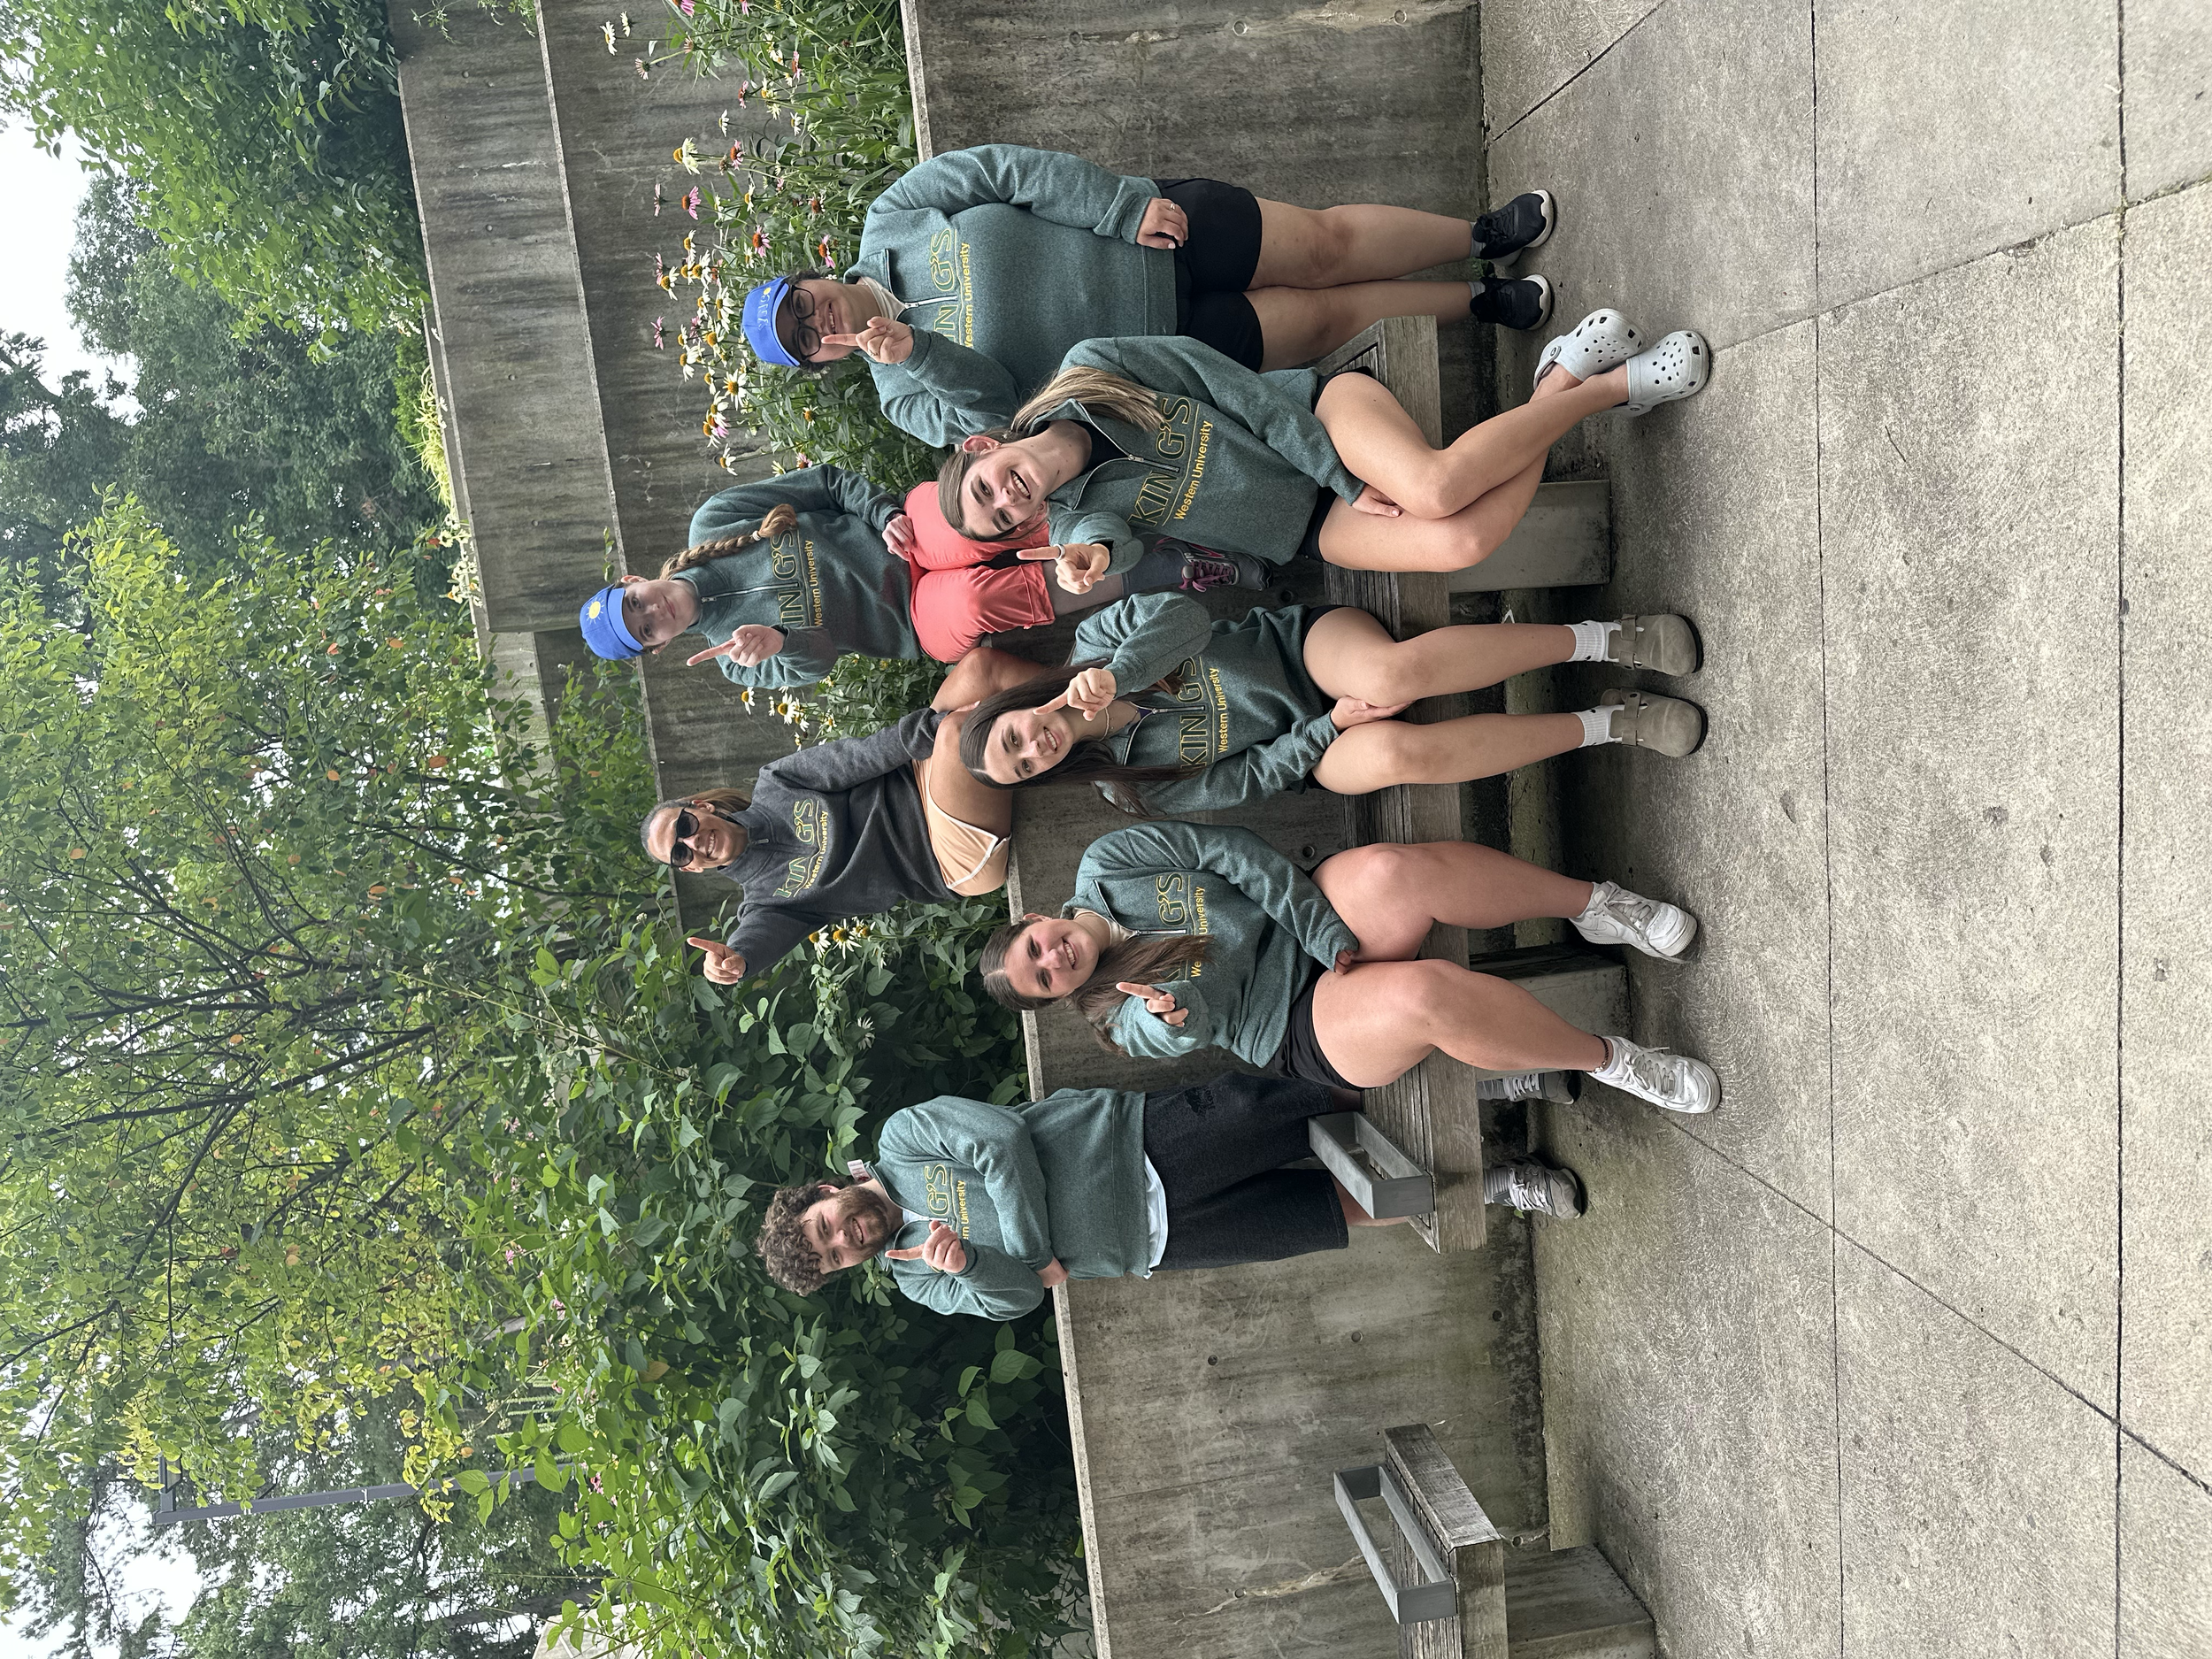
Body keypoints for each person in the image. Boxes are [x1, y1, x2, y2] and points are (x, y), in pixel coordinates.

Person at [738, 143, 1561, 445]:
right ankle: (1480, 303)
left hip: (1152, 227)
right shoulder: (901, 400)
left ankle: (1479, 234)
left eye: (801, 304)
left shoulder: (892, 221)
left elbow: (1006, 172)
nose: (820, 321)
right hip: (1162, 350)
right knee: (1328, 317)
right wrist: (919, 355)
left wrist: (1119, 206)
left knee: (1324, 243)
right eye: (806, 338)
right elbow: (1004, 414)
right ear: (824, 363)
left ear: (810, 278)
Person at [982, 821, 1721, 1113]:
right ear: (1060, 997)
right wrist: (1176, 1010)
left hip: (1304, 918)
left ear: (1034, 918)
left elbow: (1224, 854)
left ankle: (1596, 904)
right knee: (1425, 996)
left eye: (1035, 947)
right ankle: (1615, 1060)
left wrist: (1315, 924)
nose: (1054, 959)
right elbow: (1185, 1028)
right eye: (1045, 978)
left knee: (1395, 872)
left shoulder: (1105, 864)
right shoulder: (1119, 1018)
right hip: (1298, 1023)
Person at [917, 310, 1707, 581]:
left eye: (985, 485)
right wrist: (1096, 558)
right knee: (1463, 539)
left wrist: (1333, 468)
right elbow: (1107, 545)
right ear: (1022, 531)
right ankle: (1559, 382)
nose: (1006, 497)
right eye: (999, 519)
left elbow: (1229, 386)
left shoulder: (1092, 370)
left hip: (1315, 417)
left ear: (984, 446)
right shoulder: (1073, 525)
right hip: (1308, 529)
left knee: (1434, 490)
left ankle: (1612, 388)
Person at [750, 1073, 1590, 1318]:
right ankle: (1501, 1183)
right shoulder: (920, 1278)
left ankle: (1495, 1080)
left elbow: (1002, 1144)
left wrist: (1035, 1250)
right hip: (1153, 1244)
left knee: (1317, 1107)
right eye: (834, 1254)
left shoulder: (901, 1139)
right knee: (1335, 1210)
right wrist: (974, 1263)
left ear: (827, 1190)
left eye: (827, 1225)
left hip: (1135, 1142)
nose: (846, 1237)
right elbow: (1013, 1304)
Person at [956, 591, 1706, 811]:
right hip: (1314, 743)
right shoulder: (1130, 791)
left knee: (1385, 676)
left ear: (1015, 709)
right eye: (1023, 766)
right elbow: (1247, 778)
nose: (1034, 748)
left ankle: (1610, 637)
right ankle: (1611, 722)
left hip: (1299, 647)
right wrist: (1328, 726)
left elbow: (1188, 619)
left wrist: (1120, 671)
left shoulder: (1094, 640)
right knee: (1398, 751)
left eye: (1014, 737)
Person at [644, 651, 1046, 984]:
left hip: (921, 776)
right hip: (945, 856)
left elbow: (858, 757)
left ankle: (1098, 686)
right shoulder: (767, 903)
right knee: (961, 735)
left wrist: (931, 726)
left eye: (683, 826)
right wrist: (736, 960)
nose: (691, 842)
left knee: (979, 669)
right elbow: (757, 940)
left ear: (701, 807)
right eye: (680, 854)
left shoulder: (776, 782)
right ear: (692, 868)